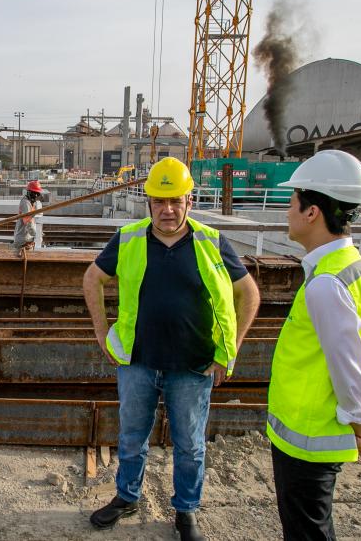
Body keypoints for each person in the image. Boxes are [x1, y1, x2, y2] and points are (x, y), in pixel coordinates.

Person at [82, 157, 260, 540]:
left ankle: (186, 510)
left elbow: (249, 293)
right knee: (131, 437)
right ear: (148, 203)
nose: (167, 209)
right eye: (159, 202)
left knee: (190, 446)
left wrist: (230, 348)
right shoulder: (128, 238)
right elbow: (92, 278)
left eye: (175, 201)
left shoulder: (211, 242)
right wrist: (101, 332)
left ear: (189, 201)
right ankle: (127, 496)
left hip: (193, 366)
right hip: (138, 362)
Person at [267, 150, 361, 541]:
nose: (287, 210)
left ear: (312, 212)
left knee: (308, 533)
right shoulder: (348, 265)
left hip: (309, 439)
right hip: (311, 435)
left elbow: (350, 367)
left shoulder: (326, 284)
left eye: (292, 202)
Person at [13, 180, 44, 255]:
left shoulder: (32, 202)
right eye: (35, 193)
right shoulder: (25, 203)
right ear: (29, 192)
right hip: (23, 240)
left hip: (27, 239)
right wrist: (36, 235)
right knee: (21, 262)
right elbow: (28, 222)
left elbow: (32, 219)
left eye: (37, 194)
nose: (36, 196)